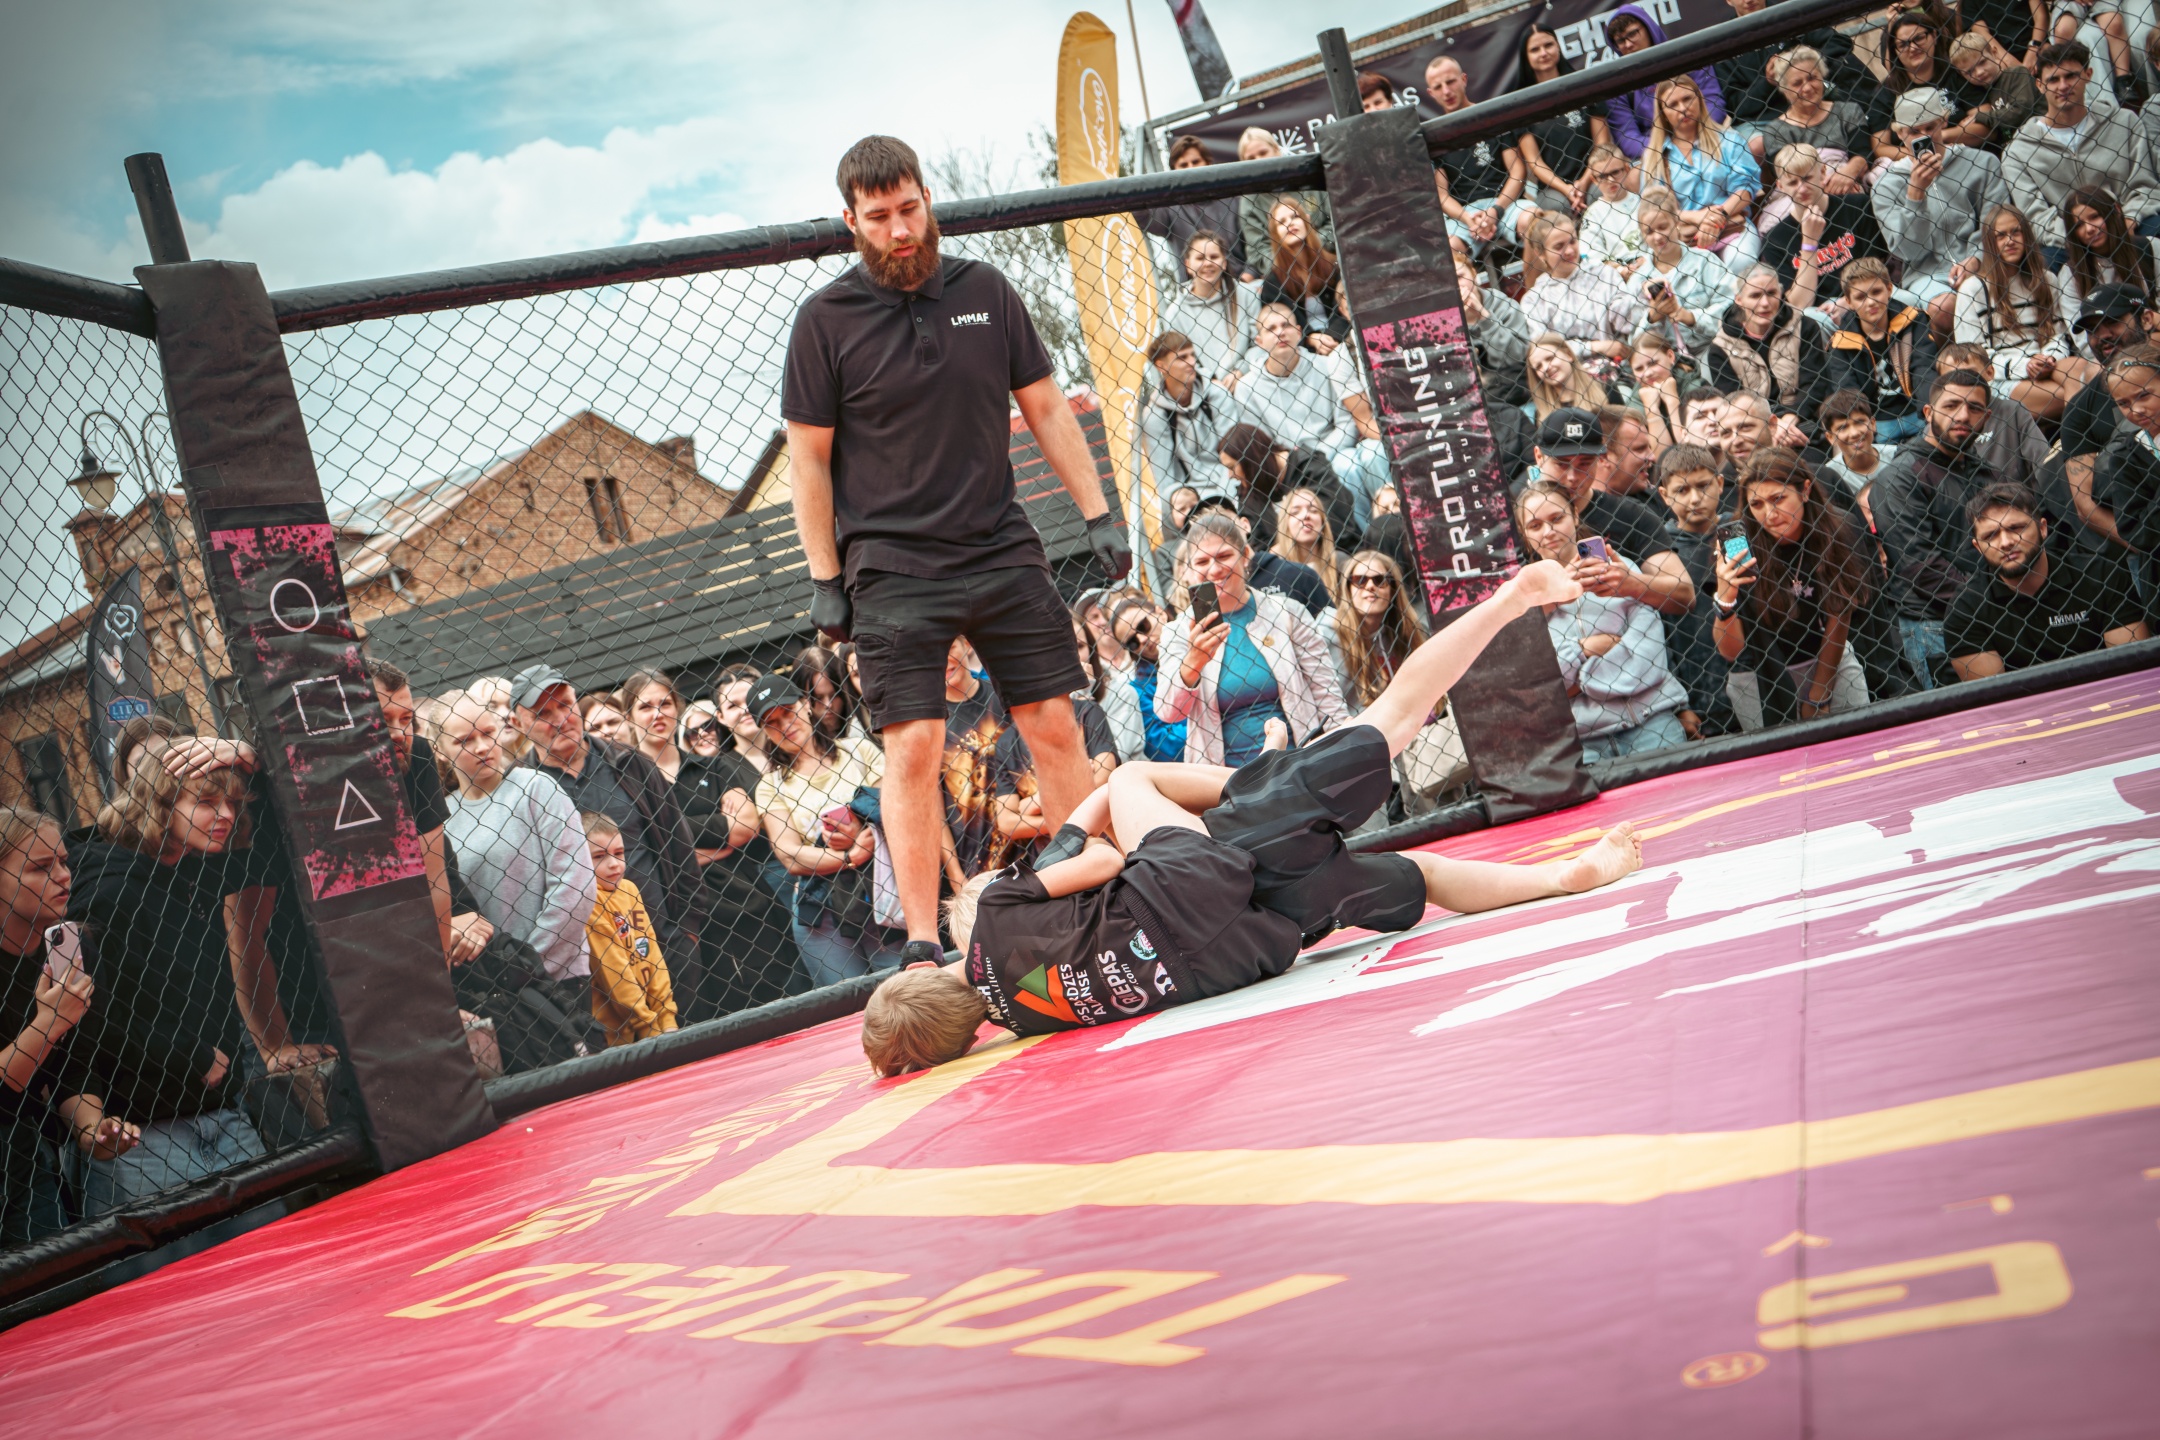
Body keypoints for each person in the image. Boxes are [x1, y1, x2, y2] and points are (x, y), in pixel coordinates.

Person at [860, 559, 1641, 1075]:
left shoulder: (1032, 1023)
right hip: (1200, 872)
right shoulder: (995, 919)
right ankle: (1508, 603)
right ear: (924, 975)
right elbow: (1103, 862)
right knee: (1384, 720)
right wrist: (1068, 842)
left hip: (1253, 943)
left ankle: (1560, 880)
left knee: (1419, 875)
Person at [782, 137, 1119, 970]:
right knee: (913, 748)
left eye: (909, 209)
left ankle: (1093, 897)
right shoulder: (824, 321)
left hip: (999, 543)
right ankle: (924, 944)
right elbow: (808, 459)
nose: (899, 230)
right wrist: (824, 577)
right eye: (879, 217)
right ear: (851, 221)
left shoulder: (986, 291)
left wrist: (1099, 513)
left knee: (1054, 723)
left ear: (928, 200)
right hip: (892, 567)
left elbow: (1045, 407)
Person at [64, 741, 328, 1214]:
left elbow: (274, 850)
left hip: (221, 1113)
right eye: (206, 801)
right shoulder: (109, 891)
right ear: (160, 804)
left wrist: (252, 760)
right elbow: (84, 1018)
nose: (225, 814)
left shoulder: (192, 868)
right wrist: (187, 1053)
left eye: (233, 802)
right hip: (141, 1135)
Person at [511, 665, 706, 994]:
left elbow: (679, 846)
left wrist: (687, 931)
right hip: (583, 969)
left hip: (662, 945)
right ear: (518, 723)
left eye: (565, 705)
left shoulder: (630, 763)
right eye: (543, 713)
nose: (560, 719)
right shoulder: (518, 791)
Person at [2, 806, 136, 1243]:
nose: (64, 876)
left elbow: (73, 1068)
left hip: (24, 1162)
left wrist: (94, 1131)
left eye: (63, 861)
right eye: (41, 867)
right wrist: (50, 1022)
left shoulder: (70, 950)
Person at [1870, 368, 2045, 686]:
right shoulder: (1899, 477)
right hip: (1934, 623)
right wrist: (1990, 599)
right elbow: (1918, 565)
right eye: (1951, 405)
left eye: (1974, 408)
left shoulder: (1987, 473)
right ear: (1928, 412)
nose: (1963, 416)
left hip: (1997, 611)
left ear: (1987, 417)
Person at [433, 691, 598, 1025]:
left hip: (557, 979)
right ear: (440, 750)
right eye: (465, 741)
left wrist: (524, 966)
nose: (482, 747)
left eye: (487, 733)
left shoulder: (536, 788)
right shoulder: (439, 818)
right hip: (488, 989)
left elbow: (575, 886)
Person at [1154, 513, 1352, 766]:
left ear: (1246, 555)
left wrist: (1343, 758)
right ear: (1188, 571)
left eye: (1224, 556)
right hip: (1224, 777)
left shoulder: (1287, 613)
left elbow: (1327, 695)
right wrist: (1193, 663)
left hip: (1298, 763)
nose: (1214, 569)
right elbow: (1169, 713)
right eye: (1202, 561)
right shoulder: (1179, 631)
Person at [1514, 481, 1695, 759]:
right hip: (1583, 740)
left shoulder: (1620, 572)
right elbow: (1537, 683)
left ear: (1575, 516)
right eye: (1535, 526)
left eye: (1557, 518)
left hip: (1650, 722)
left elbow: (1648, 657)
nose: (1548, 532)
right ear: (1525, 535)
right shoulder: (1525, 602)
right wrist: (1583, 649)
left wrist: (1578, 683)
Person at [745, 671, 899, 982]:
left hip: (882, 889)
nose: (784, 725)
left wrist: (861, 830)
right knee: (848, 999)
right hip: (820, 907)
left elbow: (894, 810)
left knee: (906, 986)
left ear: (806, 704)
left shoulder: (858, 751)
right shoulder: (771, 786)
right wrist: (850, 856)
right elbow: (789, 855)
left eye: (788, 711)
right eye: (771, 723)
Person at [1712, 449, 1880, 723]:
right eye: (1756, 504)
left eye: (1778, 498)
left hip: (1829, 659)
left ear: (1805, 490)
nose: (1770, 514)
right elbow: (1730, 652)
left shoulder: (1836, 529)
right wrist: (1725, 595)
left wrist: (1819, 694)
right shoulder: (1738, 545)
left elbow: (1840, 615)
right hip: (1760, 675)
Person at [1946, 481, 2149, 676]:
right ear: (1978, 547)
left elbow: (2132, 670)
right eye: (1990, 536)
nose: (2005, 542)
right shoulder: (1967, 608)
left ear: (2042, 528)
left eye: (2016, 528)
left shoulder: (2100, 574)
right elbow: (1994, 694)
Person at [1532, 406, 1699, 617]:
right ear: (1539, 456)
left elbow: (1685, 594)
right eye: (1561, 464)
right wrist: (1557, 594)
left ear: (1601, 459)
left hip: (1629, 630)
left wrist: (1632, 583)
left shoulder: (1630, 514)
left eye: (1584, 464)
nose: (1572, 476)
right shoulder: (1516, 518)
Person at [1876, 87, 2012, 338]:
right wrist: (1916, 193)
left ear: (1944, 122)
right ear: (1900, 134)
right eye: (1914, 132)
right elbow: (1909, 252)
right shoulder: (1886, 185)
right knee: (1945, 307)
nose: (1924, 137)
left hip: (1986, 261)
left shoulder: (1982, 162)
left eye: (1930, 127)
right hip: (1928, 275)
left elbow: (1996, 223)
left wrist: (1976, 258)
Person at [2003, 43, 2160, 258]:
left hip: (2128, 223)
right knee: (2045, 264)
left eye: (2071, 76)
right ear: (2039, 85)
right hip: (2069, 239)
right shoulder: (2018, 151)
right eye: (2053, 80)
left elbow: (2145, 186)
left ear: (2088, 74)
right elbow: (2036, 217)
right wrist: (2079, 235)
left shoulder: (2124, 122)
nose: (2063, 86)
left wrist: (2129, 219)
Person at [1237, 302, 1386, 521]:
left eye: (1286, 325)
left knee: (1349, 466)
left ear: (1299, 332)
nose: (1280, 332)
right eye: (1271, 329)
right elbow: (1263, 445)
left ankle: (1371, 532)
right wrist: (1297, 464)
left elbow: (1346, 424)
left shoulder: (1325, 365)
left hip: (1334, 452)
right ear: (1259, 341)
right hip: (1289, 467)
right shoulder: (1246, 388)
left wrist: (1317, 458)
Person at [1956, 203, 2102, 419]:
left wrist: (2048, 359)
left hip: (2049, 365)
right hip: (2001, 377)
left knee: (2081, 368)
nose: (2010, 241)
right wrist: (2026, 366)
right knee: (2078, 393)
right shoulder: (1973, 289)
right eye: (2000, 236)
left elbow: (2059, 335)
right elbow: (1972, 357)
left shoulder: (2046, 279)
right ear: (1990, 243)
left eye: (2016, 232)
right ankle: (2081, 436)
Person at [1651, 445, 1740, 737]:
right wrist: (1678, 704)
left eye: (1703, 486)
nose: (1695, 498)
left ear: (1720, 483)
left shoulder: (1738, 530)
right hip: (1695, 687)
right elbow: (1659, 634)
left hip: (1750, 672)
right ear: (1664, 495)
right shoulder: (1659, 550)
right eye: (1682, 490)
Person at [2060, 283, 2160, 543]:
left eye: (2112, 321)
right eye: (2092, 329)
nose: (2103, 335)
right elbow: (2086, 506)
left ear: (2146, 319)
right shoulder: (2080, 408)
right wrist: (2148, 548)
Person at [1639, 75, 1759, 273]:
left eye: (1687, 99)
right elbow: (1651, 206)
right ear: (1663, 113)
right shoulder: (1654, 156)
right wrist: (1696, 217)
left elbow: (1746, 188)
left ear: (1699, 100)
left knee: (1741, 261)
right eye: (1673, 104)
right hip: (1684, 238)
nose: (1683, 108)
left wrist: (1717, 217)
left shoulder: (1729, 140)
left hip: (1731, 225)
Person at [580, 811, 678, 1046]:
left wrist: (666, 1017)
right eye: (599, 856)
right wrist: (649, 1027)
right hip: (614, 1037)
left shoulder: (629, 889)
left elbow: (652, 955)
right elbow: (613, 972)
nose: (614, 864)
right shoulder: (590, 900)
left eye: (619, 853)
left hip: (651, 1022)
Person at [1427, 55, 1542, 252]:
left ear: (1463, 79)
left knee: (1536, 222)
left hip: (1506, 204)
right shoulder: (1434, 135)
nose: (1446, 91)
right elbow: (1442, 196)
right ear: (1431, 93)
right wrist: (1468, 219)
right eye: (1438, 87)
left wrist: (1495, 211)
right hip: (1465, 215)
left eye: (1451, 81)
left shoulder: (1491, 117)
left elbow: (1517, 173)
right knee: (1448, 249)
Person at [1759, 143, 1891, 304]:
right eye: (1793, 183)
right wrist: (1809, 242)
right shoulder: (1775, 239)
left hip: (1867, 300)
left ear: (1822, 173)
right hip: (1817, 312)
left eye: (1807, 178)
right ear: (1780, 186)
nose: (1802, 189)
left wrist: (1846, 303)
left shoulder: (1858, 207)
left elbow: (1878, 267)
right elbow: (1798, 304)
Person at [1830, 258, 1942, 444]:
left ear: (1889, 289)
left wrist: (1929, 411)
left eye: (1876, 292)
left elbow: (1923, 368)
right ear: (1849, 302)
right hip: (1878, 422)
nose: (1871, 302)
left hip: (1917, 412)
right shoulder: (1841, 342)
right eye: (1860, 297)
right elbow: (1847, 389)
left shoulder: (1913, 321)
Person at [1216, 419, 1362, 560]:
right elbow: (1257, 548)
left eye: (1232, 467)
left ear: (1250, 460)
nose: (1230, 475)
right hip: (1285, 572)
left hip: (1339, 556)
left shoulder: (1310, 467)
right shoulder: (1249, 493)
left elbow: (1338, 526)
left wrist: (1284, 547)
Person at [1522, 213, 1643, 372]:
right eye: (1559, 246)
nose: (1569, 250)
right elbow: (1545, 349)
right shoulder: (1534, 299)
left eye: (1572, 241)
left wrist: (1641, 293)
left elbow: (1627, 321)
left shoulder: (1603, 274)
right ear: (1540, 253)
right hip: (1569, 374)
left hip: (1618, 367)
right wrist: (1594, 347)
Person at [1513, 23, 1614, 214]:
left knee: (1598, 194)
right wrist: (1566, 189)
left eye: (1548, 45)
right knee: (1559, 205)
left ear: (1558, 46)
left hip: (1595, 174)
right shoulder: (1521, 105)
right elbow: (1534, 162)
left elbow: (1602, 142)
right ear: (1526, 56)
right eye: (1535, 49)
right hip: (1552, 189)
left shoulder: (1584, 85)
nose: (1543, 53)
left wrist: (1584, 182)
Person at [1605, 5, 1729, 160]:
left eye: (1632, 34)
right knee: (1635, 173)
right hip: (1655, 152)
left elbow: (1713, 101)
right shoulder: (1618, 84)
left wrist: (1693, 137)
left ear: (1648, 29)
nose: (1628, 44)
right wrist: (1668, 148)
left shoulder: (1687, 57)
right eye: (1621, 41)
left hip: (1704, 135)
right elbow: (1627, 136)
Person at [1749, 49, 1879, 194]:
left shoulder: (1848, 111)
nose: (1807, 88)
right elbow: (1787, 176)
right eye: (1797, 83)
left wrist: (1847, 173)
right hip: (1803, 192)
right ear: (1784, 89)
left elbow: (1862, 154)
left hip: (1850, 183)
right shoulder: (1776, 130)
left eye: (1812, 78)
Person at [1630, 186, 1738, 360]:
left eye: (1663, 227)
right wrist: (1652, 317)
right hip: (1664, 361)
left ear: (1676, 222)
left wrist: (1690, 317)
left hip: (1711, 349)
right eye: (1649, 231)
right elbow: (1633, 341)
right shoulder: (1638, 280)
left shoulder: (1704, 261)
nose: (1657, 236)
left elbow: (1732, 307)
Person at [2057, 187, 2160, 355]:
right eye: (2079, 225)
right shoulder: (2070, 273)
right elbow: (2082, 340)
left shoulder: (2150, 248)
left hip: (2151, 338)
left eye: (2094, 217)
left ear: (2116, 211)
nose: (2089, 228)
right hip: (2104, 353)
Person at [1142, 330, 1240, 505]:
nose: (1192, 362)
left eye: (1192, 355)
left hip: (1230, 481)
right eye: (1182, 358)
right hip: (1190, 495)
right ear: (1161, 366)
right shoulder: (1155, 416)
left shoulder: (1216, 393)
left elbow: (1236, 453)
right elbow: (1163, 479)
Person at [1135, 135, 1250, 283]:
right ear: (1174, 171)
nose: (1191, 168)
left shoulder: (1234, 199)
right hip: (1196, 290)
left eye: (1196, 162)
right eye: (1183, 165)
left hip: (1241, 284)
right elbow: (1141, 217)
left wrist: (1247, 279)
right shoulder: (1170, 209)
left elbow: (1255, 245)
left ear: (1208, 163)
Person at [1160, 230, 1260, 391]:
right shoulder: (1175, 314)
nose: (1207, 263)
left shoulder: (1246, 294)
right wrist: (1210, 382)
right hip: (1207, 389)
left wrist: (1240, 371)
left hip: (1251, 378)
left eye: (1214, 257)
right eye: (1200, 258)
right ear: (1188, 265)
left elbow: (1260, 343)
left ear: (1224, 263)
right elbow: (1181, 360)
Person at [1235, 128, 1335, 279]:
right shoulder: (1249, 200)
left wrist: (1309, 248)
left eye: (1263, 153)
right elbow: (1258, 251)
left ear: (1276, 150)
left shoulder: (1307, 176)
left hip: (1328, 259)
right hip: (1286, 275)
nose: (1258, 161)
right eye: (1251, 158)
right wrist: (1289, 262)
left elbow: (1336, 223)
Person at [1452, 236, 1534, 408]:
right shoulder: (1442, 323)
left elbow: (1518, 357)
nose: (1457, 285)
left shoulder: (1503, 305)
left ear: (1473, 273)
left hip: (1518, 390)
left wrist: (1483, 317)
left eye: (1459, 276)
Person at [1258, 199, 1348, 352]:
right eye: (1282, 222)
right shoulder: (1273, 283)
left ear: (1306, 220)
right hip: (1301, 350)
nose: (1290, 223)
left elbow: (1345, 311)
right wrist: (1310, 338)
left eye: (1295, 216)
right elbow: (1279, 326)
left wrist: (1331, 337)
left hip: (1341, 340)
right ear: (1275, 233)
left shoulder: (1333, 265)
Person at [2096, 343, 2160, 557]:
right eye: (2123, 403)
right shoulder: (2125, 459)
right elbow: (2137, 534)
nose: (2136, 410)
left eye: (2144, 395)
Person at [1109, 597, 1189, 763]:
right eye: (1132, 642)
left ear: (1160, 613)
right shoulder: (1138, 691)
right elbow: (1164, 746)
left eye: (1143, 627)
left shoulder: (1200, 637)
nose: (1142, 640)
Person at [1947, 31, 2042, 151]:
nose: (1979, 72)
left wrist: (1979, 116)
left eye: (1982, 62)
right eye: (1969, 72)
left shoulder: (2017, 74)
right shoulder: (1982, 94)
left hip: (2040, 138)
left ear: (1994, 53)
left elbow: (2020, 111)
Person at [1271, 487, 1348, 609]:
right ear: (1286, 525)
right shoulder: (1275, 570)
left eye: (1313, 510)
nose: (1306, 515)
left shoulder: (1341, 563)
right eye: (1295, 512)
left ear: (1323, 524)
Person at [1578, 146, 1648, 273]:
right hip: (1614, 276)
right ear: (1594, 180)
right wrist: (1620, 270)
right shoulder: (1593, 214)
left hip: (1650, 264)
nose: (1610, 180)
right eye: (1602, 176)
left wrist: (1647, 260)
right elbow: (1590, 255)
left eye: (1615, 172)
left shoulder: (1644, 202)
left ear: (1626, 169)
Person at [1817, 388, 1899, 495]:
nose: (1854, 433)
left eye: (1860, 422)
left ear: (1872, 423)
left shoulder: (1897, 455)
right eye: (1843, 428)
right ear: (1830, 437)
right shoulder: (1830, 477)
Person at [620, 667, 688, 784]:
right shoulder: (624, 780)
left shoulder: (712, 768)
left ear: (677, 709)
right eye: (645, 707)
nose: (658, 714)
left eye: (665, 704)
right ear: (629, 718)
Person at [1527, 333, 1616, 420]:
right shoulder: (1541, 415)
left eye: (1550, 358)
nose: (1546, 368)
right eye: (1538, 366)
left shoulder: (1607, 390)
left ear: (1568, 354)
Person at [1627, 331, 1692, 448]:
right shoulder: (1633, 406)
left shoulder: (1693, 385)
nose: (1647, 373)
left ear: (1670, 356)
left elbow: (1690, 446)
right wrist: (1652, 410)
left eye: (1653, 363)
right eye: (1639, 368)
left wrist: (1672, 402)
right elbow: (1661, 454)